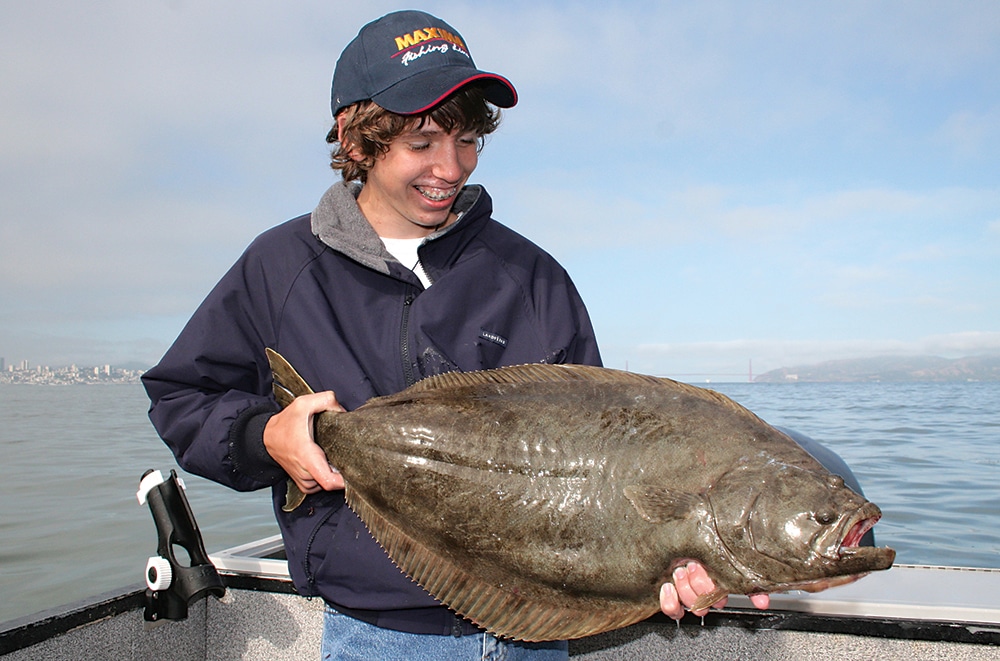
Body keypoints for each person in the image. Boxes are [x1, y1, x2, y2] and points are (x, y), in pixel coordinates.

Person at [142, 10, 768, 660]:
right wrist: (266, 435)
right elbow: (183, 393)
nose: (451, 165)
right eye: (423, 142)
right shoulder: (281, 268)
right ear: (355, 141)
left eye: (467, 139)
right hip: (380, 635)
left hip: (536, 632)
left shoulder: (532, 277)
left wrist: (669, 561)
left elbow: (607, 467)